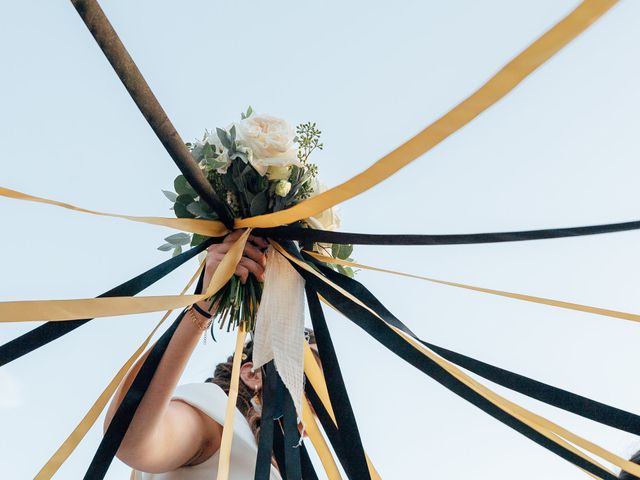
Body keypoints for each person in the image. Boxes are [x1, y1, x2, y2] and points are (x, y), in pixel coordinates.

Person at [105, 230, 284, 479]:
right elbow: (127, 438)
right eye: (306, 385)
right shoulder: (215, 412)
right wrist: (203, 306)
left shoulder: (278, 464)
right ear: (253, 373)